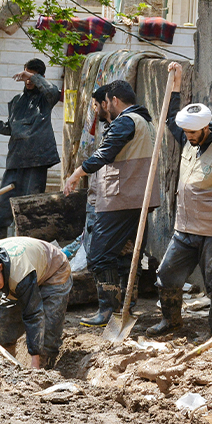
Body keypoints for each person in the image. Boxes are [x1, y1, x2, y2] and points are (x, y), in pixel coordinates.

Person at [147, 62, 212, 337]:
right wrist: (175, 84)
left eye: (192, 133)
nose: (187, 138)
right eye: (185, 133)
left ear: (205, 128)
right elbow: (170, 118)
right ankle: (171, 322)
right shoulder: (189, 137)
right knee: (166, 275)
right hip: (185, 228)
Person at [63, 79, 158, 326]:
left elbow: (105, 154)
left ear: (114, 101)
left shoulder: (126, 121)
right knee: (126, 253)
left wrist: (76, 174)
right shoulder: (145, 121)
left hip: (121, 197)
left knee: (100, 255)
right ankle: (127, 307)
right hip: (138, 197)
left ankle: (108, 310)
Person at [0, 58, 61, 242]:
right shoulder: (17, 101)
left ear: (41, 77)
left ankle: (27, 251)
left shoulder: (46, 99)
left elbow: (53, 91)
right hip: (15, 161)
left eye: (32, 76)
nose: (28, 81)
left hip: (36, 162)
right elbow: (11, 128)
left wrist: (33, 76)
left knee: (29, 211)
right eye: (26, 75)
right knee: (1, 209)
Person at [0, 236, 73, 369]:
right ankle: (7, 365)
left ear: (0, 267)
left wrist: (35, 361)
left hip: (54, 270)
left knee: (49, 329)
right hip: (27, 267)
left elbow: (33, 313)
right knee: (3, 327)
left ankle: (43, 368)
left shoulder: (19, 274)